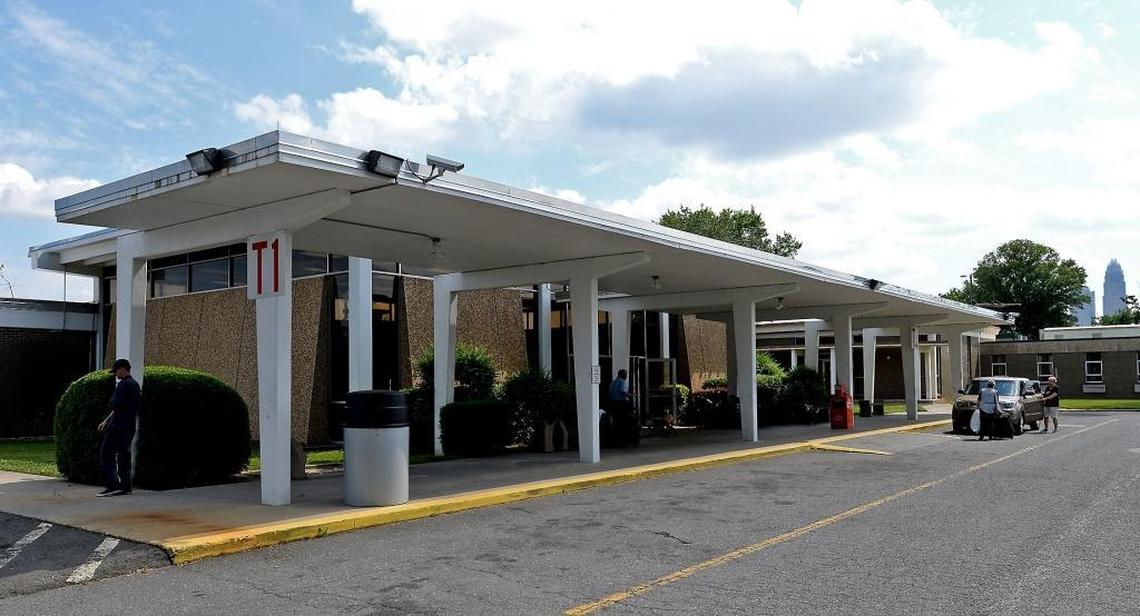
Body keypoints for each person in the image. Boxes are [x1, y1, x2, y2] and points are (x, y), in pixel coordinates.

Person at [97, 359, 140, 496]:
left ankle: (113, 484)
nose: (115, 375)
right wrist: (106, 420)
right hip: (129, 426)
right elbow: (122, 407)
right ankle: (125, 486)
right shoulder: (135, 385)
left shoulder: (123, 385)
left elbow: (115, 404)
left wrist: (108, 421)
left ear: (122, 369)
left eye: (116, 371)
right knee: (123, 456)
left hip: (118, 426)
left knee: (106, 453)